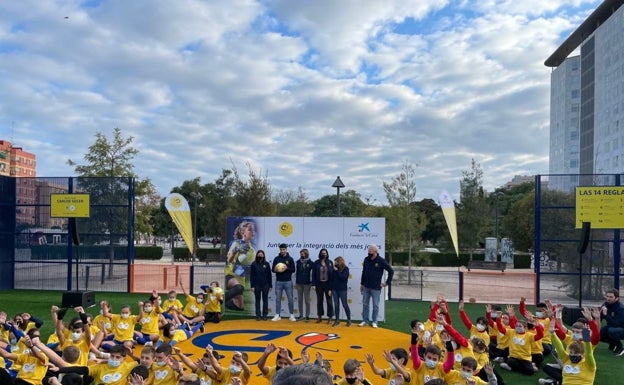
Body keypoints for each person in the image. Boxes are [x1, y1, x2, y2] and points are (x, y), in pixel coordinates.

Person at [359, 245, 393, 328]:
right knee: (365, 304)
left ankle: (374, 321)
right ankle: (365, 321)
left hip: (376, 287)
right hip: (366, 286)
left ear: (375, 252)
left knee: (375, 305)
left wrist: (387, 283)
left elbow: (391, 271)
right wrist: (362, 284)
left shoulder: (381, 260)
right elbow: (364, 272)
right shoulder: (366, 259)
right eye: (368, 251)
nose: (369, 252)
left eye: (371, 251)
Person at [224, 221, 256, 311]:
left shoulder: (252, 250)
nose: (252, 232)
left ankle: (226, 302)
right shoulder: (236, 243)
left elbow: (249, 264)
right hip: (230, 274)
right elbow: (229, 260)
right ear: (243, 233)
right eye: (250, 230)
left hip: (241, 278)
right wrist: (235, 250)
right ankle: (219, 300)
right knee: (238, 288)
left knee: (240, 307)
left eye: (253, 230)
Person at [271, 244, 296, 322]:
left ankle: (291, 315)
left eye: (284, 249)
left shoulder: (290, 259)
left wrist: (286, 268)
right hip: (278, 281)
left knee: (290, 299)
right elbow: (273, 270)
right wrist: (276, 269)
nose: (282, 251)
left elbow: (293, 270)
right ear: (280, 250)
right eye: (281, 249)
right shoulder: (276, 259)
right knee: (278, 299)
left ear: (286, 249)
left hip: (288, 281)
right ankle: (278, 315)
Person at [599, 288, 624, 354]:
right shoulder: (606, 304)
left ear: (617, 298)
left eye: (611, 297)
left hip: (621, 328)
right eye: (607, 296)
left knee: (611, 331)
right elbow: (599, 318)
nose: (608, 299)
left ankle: (620, 347)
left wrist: (606, 315)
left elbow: (616, 324)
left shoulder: (621, 308)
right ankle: (613, 343)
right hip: (611, 326)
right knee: (599, 334)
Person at [312, 248, 334, 324]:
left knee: (329, 301)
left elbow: (332, 276)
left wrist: (331, 288)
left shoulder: (330, 262)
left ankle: (330, 317)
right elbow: (313, 274)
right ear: (320, 254)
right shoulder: (316, 263)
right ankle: (319, 317)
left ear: (327, 254)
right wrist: (314, 284)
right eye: (322, 253)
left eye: (325, 253)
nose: (323, 254)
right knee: (319, 301)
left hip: (328, 285)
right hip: (319, 285)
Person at [250, 250, 272, 320]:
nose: (260, 256)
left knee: (265, 300)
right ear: (257, 255)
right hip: (257, 285)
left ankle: (265, 315)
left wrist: (270, 285)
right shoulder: (254, 264)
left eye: (261, 254)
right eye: (259, 254)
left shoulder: (267, 264)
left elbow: (269, 275)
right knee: (257, 300)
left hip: (266, 285)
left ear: (263, 255)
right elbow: (251, 276)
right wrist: (252, 286)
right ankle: (258, 315)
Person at [331, 256, 352, 327]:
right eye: (334, 262)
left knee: (344, 304)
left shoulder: (346, 269)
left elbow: (343, 278)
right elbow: (332, 279)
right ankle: (337, 320)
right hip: (334, 289)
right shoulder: (334, 269)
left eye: (336, 262)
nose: (335, 263)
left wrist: (337, 271)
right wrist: (330, 289)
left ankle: (349, 320)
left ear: (340, 262)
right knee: (336, 305)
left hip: (342, 290)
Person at [295, 248, 313, 321]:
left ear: (306, 254)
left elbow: (313, 274)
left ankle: (307, 316)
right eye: (301, 254)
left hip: (307, 283)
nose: (302, 255)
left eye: (303, 254)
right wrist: (296, 282)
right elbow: (297, 272)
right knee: (299, 300)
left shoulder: (311, 263)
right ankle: (301, 315)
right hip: (299, 283)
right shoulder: (298, 262)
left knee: (307, 300)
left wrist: (312, 283)